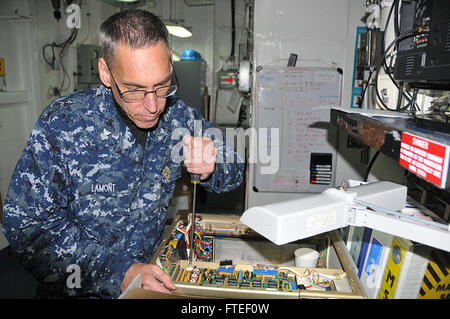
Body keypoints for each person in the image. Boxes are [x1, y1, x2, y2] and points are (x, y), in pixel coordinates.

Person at [2, 9, 244, 299]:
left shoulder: (177, 115)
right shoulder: (63, 124)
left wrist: (213, 163)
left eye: (162, 84)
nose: (153, 105)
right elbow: (28, 229)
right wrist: (120, 272)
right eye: (134, 90)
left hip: (149, 285)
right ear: (106, 73)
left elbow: (235, 167)